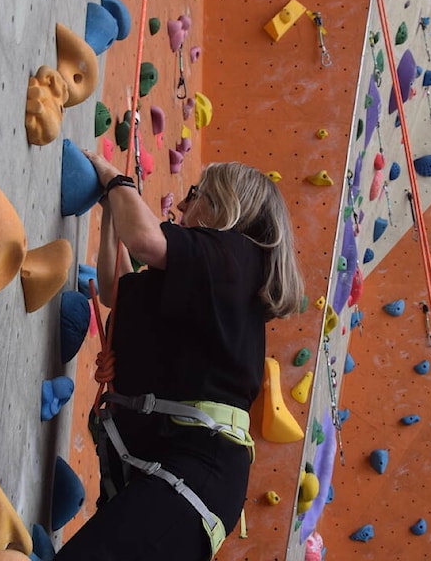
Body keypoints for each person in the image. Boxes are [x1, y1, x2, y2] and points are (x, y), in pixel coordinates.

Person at [54, 151, 304, 561]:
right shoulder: (210, 281)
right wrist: (111, 212)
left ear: (226, 207)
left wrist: (117, 181)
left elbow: (146, 242)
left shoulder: (235, 256)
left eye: (196, 194)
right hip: (187, 479)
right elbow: (117, 289)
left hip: (193, 477)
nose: (184, 205)